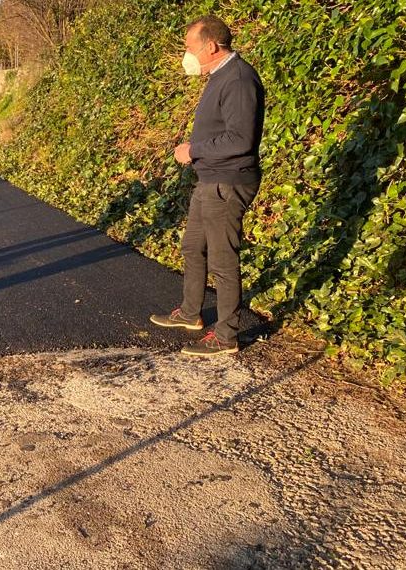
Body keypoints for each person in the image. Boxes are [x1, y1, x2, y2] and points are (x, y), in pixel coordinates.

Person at [150, 15, 266, 357]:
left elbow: (241, 139)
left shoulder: (240, 79)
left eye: (189, 47)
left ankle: (227, 335)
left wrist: (193, 150)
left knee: (222, 260)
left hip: (227, 183)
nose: (187, 55)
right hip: (210, 179)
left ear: (211, 46)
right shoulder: (219, 76)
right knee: (192, 248)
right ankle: (190, 313)